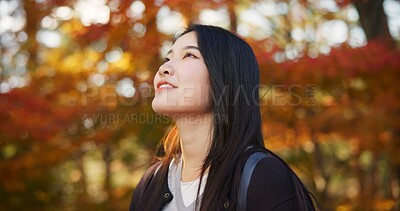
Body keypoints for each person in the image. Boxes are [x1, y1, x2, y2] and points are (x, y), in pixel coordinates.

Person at [129, 24, 316, 211]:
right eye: (167, 58)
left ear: (225, 77)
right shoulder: (150, 184)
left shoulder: (264, 179)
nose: (164, 68)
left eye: (189, 55)